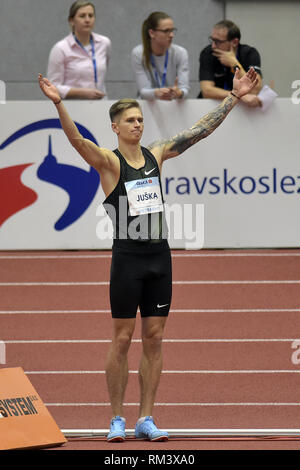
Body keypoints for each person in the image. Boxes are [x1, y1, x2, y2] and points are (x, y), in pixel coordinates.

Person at [38, 65, 258, 441]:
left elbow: (198, 131)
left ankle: (146, 418)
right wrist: (60, 105)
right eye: (130, 120)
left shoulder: (157, 154)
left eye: (140, 119)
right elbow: (77, 142)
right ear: (116, 127)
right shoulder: (109, 162)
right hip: (127, 259)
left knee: (154, 338)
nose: (138, 125)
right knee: (122, 339)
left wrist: (233, 98)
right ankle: (117, 419)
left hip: (159, 258)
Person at [47, 1, 111, 100]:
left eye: (91, 15)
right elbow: (52, 87)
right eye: (82, 16)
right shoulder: (61, 48)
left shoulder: (104, 43)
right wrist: (81, 93)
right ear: (72, 20)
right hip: (72, 106)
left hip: (100, 104)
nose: (87, 20)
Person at [198, 20, 262, 107]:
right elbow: (207, 91)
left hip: (242, 108)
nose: (213, 46)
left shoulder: (250, 53)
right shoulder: (208, 53)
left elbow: (255, 89)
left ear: (235, 42)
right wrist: (237, 95)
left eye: (218, 41)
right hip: (211, 106)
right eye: (212, 40)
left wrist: (235, 63)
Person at [131, 11, 189, 101]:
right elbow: (143, 91)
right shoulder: (138, 53)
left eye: (172, 30)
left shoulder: (180, 53)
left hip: (174, 105)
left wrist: (179, 93)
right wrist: (156, 93)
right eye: (166, 31)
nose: (172, 35)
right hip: (148, 106)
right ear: (152, 33)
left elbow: (185, 89)